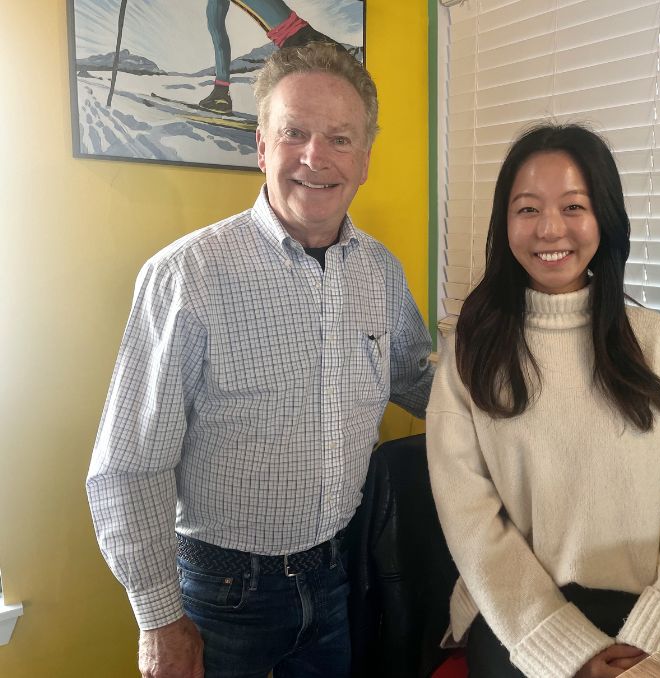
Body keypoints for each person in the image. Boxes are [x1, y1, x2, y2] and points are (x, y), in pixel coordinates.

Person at [87, 42, 434, 678]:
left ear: (364, 160)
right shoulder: (185, 276)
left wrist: (519, 373)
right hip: (223, 598)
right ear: (261, 147)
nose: (315, 157)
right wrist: (160, 622)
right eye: (293, 133)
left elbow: (421, 384)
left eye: (339, 138)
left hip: (338, 579)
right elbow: (128, 468)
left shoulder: (381, 273)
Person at [425, 123, 660, 678]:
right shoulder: (472, 349)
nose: (550, 229)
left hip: (646, 611)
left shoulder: (654, 343)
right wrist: (567, 650)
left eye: (574, 206)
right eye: (527, 209)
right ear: (505, 222)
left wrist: (652, 639)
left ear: (604, 219)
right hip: (517, 615)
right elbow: (472, 524)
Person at [200, 0, 349, 114]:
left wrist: (221, 87)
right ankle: (220, 94)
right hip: (307, 43)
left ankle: (220, 93)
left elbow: (218, 33)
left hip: (301, 47)